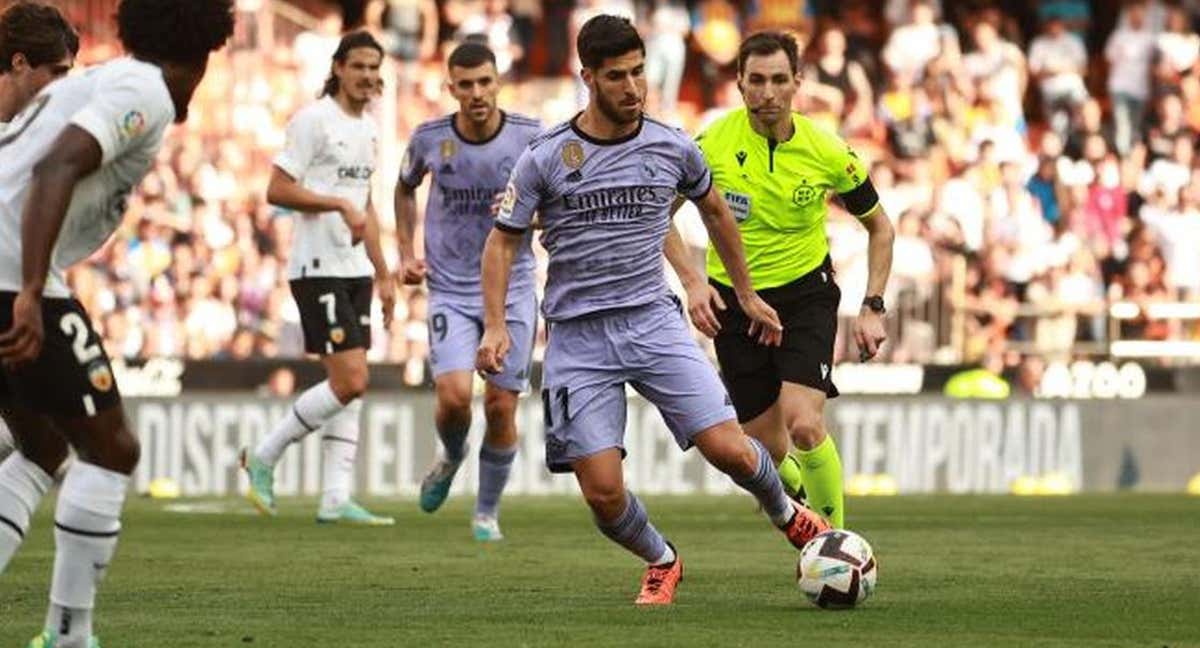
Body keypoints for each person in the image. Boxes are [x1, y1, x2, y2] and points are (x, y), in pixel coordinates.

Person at [477, 15, 830, 606]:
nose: (633, 87)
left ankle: (784, 511)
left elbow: (715, 212)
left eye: (639, 71)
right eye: (617, 76)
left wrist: (739, 292)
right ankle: (661, 559)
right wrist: (494, 324)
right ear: (586, 76)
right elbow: (502, 240)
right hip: (578, 336)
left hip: (652, 320)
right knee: (603, 493)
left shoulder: (671, 145)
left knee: (730, 449)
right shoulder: (544, 158)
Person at [0, 2, 234, 646]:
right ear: (208, 44)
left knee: (42, 447)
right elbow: (56, 166)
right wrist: (27, 292)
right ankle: (70, 635)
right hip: (13, 277)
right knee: (112, 449)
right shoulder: (145, 89)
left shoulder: (101, 78)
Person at [665, 31, 895, 530]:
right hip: (732, 302)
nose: (767, 93)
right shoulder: (708, 146)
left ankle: (834, 543)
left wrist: (873, 304)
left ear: (797, 83)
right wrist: (692, 283)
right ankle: (806, 514)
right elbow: (658, 215)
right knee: (761, 453)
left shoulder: (828, 151)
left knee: (806, 425)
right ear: (740, 85)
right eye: (756, 81)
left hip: (804, 296)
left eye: (777, 80)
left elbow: (880, 227)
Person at [240, 31, 396, 527]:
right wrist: (336, 203)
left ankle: (334, 497)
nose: (368, 76)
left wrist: (385, 272)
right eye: (359, 66)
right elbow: (276, 189)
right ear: (338, 68)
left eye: (375, 67)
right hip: (316, 267)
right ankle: (263, 455)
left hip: (354, 269)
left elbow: (366, 204)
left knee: (349, 385)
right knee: (351, 380)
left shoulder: (370, 128)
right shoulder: (312, 122)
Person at [394, 42, 541, 541]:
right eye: (466, 84)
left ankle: (486, 512)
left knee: (501, 405)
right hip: (452, 288)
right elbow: (403, 186)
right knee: (455, 398)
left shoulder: (529, 137)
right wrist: (403, 250)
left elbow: (558, 202)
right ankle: (453, 454)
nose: (476, 93)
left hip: (514, 286)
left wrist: (532, 212)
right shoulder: (430, 138)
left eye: (484, 82)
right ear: (450, 87)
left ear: (498, 81)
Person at [0, 1, 79, 463]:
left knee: (42, 443)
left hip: (12, 299)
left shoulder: (39, 137)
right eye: (57, 72)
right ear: (19, 62)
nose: (62, 87)